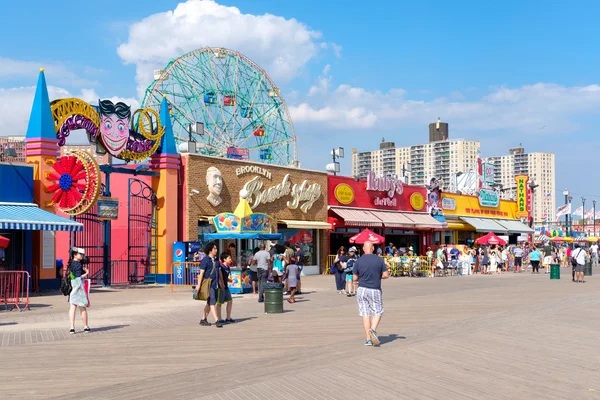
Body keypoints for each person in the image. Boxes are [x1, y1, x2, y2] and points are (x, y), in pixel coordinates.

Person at [353, 241, 389, 346]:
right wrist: (378, 276)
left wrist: (360, 279)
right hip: (374, 289)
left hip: (362, 289)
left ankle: (368, 339)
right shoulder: (379, 260)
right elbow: (386, 275)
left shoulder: (358, 261)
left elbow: (355, 278)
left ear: (364, 248)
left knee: (365, 313)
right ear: (372, 248)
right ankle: (372, 329)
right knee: (377, 311)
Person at [198, 242, 224, 328]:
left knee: (210, 302)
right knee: (213, 302)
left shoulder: (216, 260)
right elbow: (201, 273)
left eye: (216, 248)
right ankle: (217, 320)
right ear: (210, 250)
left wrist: (222, 282)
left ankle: (203, 319)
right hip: (209, 284)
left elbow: (219, 271)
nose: (216, 250)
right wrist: (198, 285)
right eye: (215, 248)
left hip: (216, 283)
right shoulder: (205, 260)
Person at [67, 247, 90, 334]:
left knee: (73, 307)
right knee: (82, 307)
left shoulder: (71, 263)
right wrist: (86, 273)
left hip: (72, 286)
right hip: (79, 286)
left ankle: (72, 327)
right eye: (81, 254)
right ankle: (85, 326)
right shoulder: (77, 264)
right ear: (75, 255)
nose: (82, 256)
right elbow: (78, 277)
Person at [217, 252, 235, 324]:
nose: (230, 259)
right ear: (224, 259)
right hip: (221, 287)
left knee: (230, 301)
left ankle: (228, 318)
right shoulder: (221, 267)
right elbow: (219, 277)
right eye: (229, 258)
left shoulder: (228, 267)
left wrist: (229, 280)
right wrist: (221, 284)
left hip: (226, 287)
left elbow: (225, 277)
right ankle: (219, 318)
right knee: (219, 303)